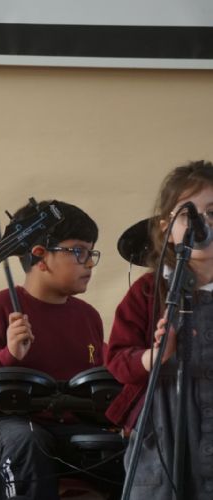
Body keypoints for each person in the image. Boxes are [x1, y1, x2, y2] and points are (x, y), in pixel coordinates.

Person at [0, 200, 105, 500]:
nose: (89, 263)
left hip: (64, 430)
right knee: (26, 441)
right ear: (40, 256)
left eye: (91, 253)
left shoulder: (88, 317)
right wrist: (6, 356)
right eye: (78, 251)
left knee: (130, 450)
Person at [105, 160, 213, 499]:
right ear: (167, 227)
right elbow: (117, 360)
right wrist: (154, 356)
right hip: (162, 431)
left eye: (212, 212)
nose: (202, 222)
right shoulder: (149, 291)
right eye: (188, 213)